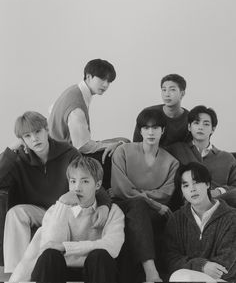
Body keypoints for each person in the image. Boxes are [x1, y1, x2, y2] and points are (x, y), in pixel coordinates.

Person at [0, 111, 111, 273]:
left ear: (46, 130)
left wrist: (104, 205)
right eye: (27, 136)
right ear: (22, 140)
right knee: (15, 213)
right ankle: (17, 274)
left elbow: (90, 180)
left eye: (38, 132)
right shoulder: (18, 159)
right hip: (38, 212)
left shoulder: (68, 153)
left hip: (65, 212)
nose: (34, 139)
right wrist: (10, 150)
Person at [10, 155, 125, 283]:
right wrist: (62, 205)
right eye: (73, 181)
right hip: (60, 268)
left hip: (94, 269)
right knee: (49, 256)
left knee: (101, 256)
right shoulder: (56, 209)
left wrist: (66, 247)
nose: (77, 187)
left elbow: (112, 247)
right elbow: (51, 245)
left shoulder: (113, 211)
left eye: (85, 181)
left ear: (97, 185)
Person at [111, 108, 179, 282]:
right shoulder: (123, 151)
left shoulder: (172, 162)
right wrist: (153, 202)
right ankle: (150, 271)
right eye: (146, 127)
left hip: (151, 213)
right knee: (138, 205)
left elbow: (166, 193)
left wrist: (140, 194)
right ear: (140, 130)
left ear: (162, 131)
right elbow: (121, 189)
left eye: (155, 128)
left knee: (141, 208)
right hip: (121, 205)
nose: (150, 132)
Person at [48, 58, 129, 189]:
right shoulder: (76, 106)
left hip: (61, 148)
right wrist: (109, 145)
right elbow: (82, 146)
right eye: (102, 79)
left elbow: (51, 109)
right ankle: (110, 192)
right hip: (66, 157)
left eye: (109, 81)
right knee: (117, 149)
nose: (106, 85)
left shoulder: (74, 90)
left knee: (122, 141)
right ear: (89, 76)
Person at [164, 162, 236, 282]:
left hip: (223, 280)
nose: (192, 189)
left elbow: (229, 263)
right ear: (182, 191)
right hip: (186, 278)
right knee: (180, 276)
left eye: (196, 182)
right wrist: (202, 266)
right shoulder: (176, 219)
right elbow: (170, 259)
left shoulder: (232, 217)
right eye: (186, 186)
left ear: (208, 184)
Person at [166, 105, 236, 210]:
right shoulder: (176, 150)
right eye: (196, 123)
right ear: (189, 127)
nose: (200, 127)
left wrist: (218, 191)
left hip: (221, 205)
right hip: (189, 205)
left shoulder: (227, 158)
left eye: (206, 124)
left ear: (213, 129)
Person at [133, 74, 188, 147]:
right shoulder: (149, 113)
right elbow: (136, 143)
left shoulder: (189, 119)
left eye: (172, 90)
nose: (167, 94)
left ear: (182, 93)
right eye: (164, 90)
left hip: (177, 157)